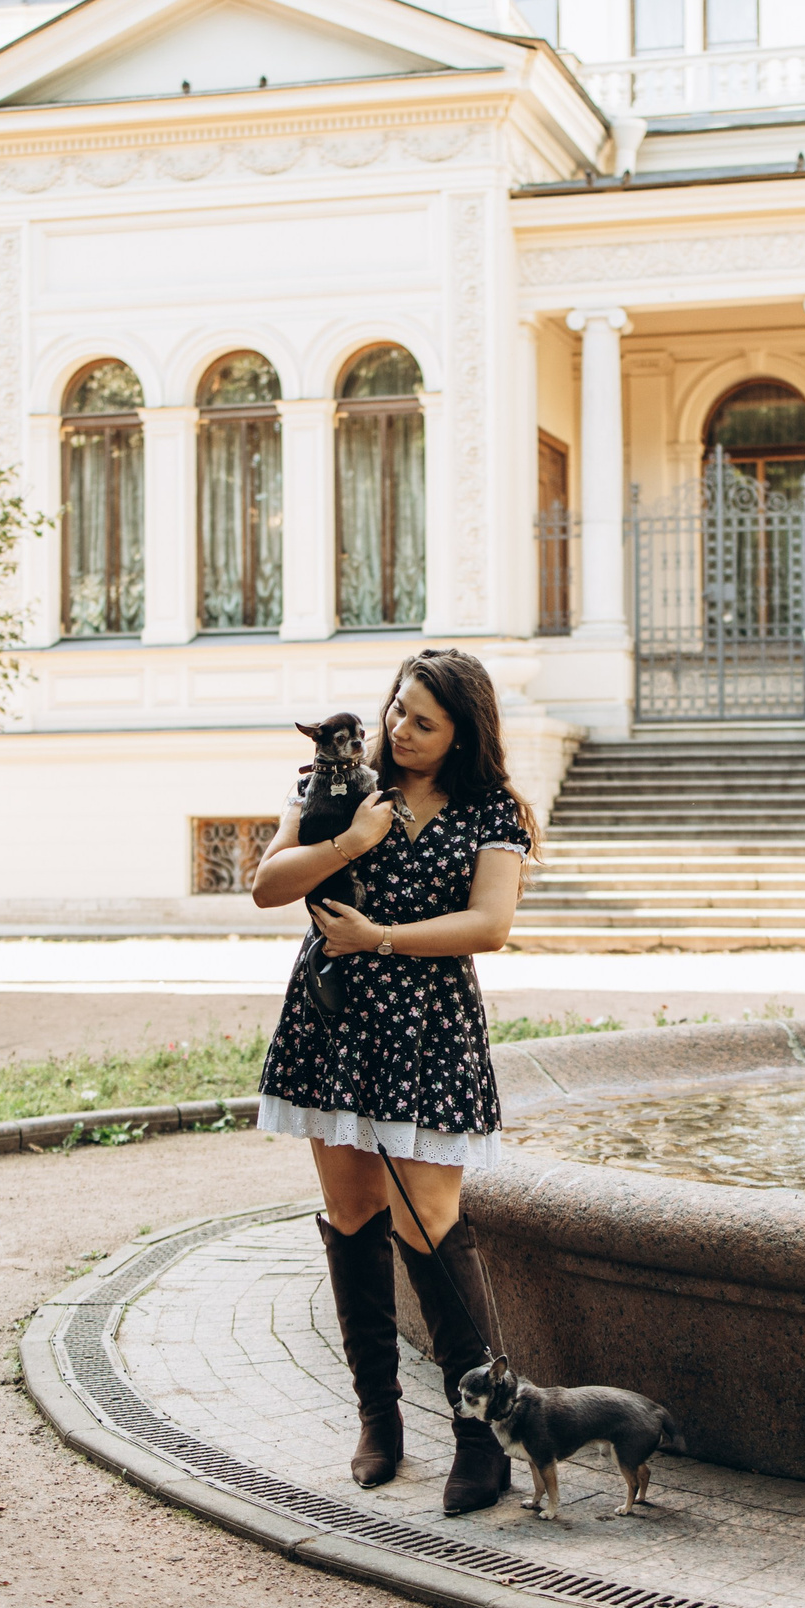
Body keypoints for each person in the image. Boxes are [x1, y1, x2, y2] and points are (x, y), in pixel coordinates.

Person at [248, 648, 537, 1513]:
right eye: (398, 710)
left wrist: (376, 936)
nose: (400, 729)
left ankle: (480, 1436)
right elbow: (267, 885)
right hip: (333, 1024)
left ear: (462, 734)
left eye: (424, 722)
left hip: (430, 1027)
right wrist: (349, 840)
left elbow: (489, 924)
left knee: (435, 1223)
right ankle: (379, 1418)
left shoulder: (493, 810)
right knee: (353, 1216)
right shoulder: (339, 788)